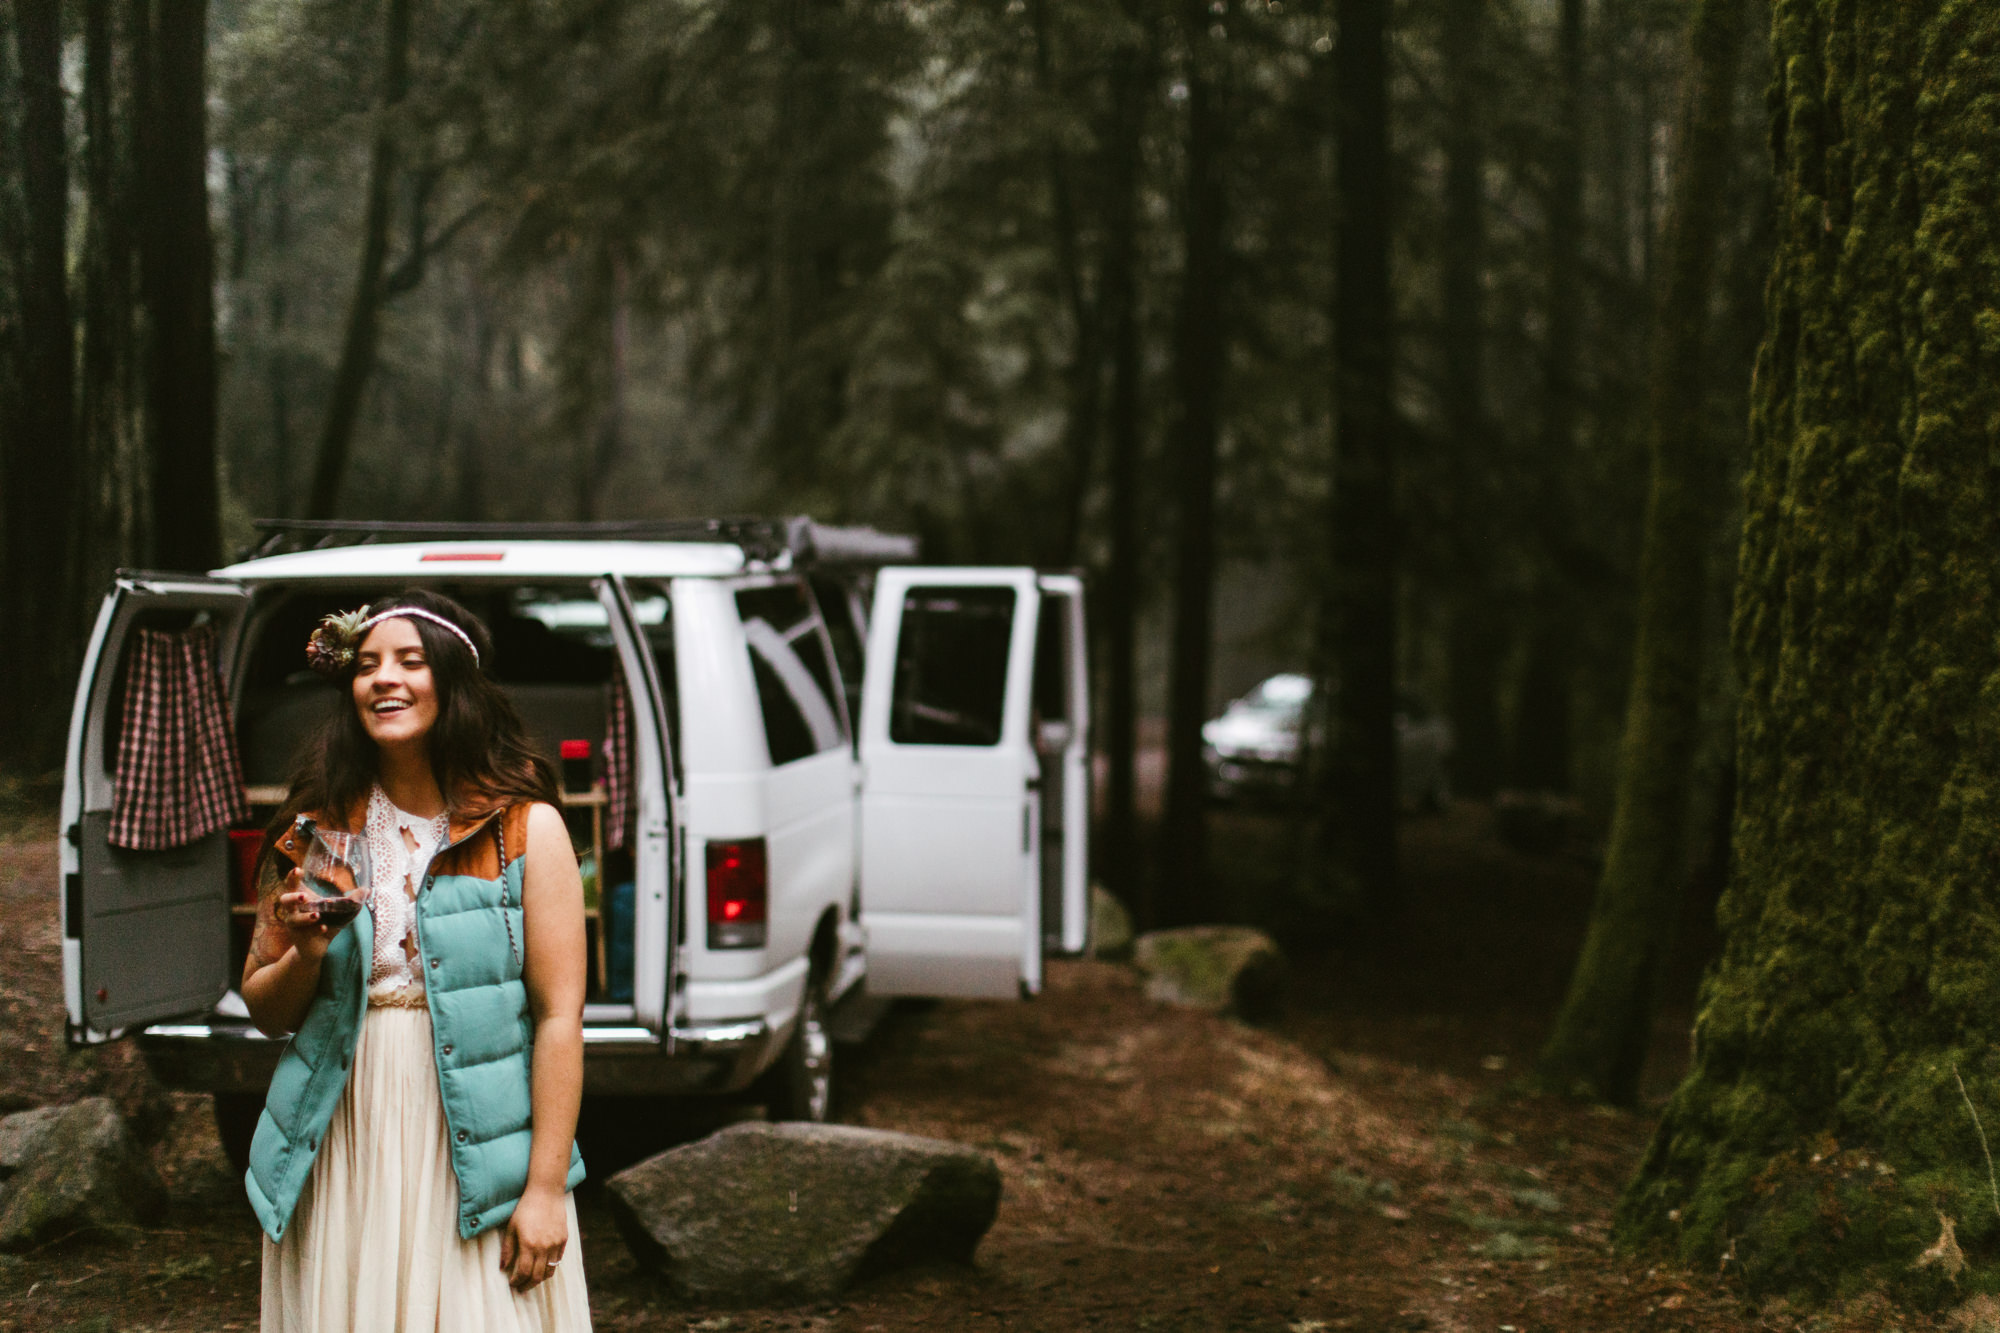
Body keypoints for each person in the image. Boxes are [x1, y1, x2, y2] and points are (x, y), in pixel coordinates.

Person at [241, 589, 593, 1332]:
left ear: (453, 684)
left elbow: (560, 1017)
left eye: (409, 660)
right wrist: (306, 953)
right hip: (343, 1131)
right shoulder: (315, 827)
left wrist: (546, 1187)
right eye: (367, 665)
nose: (384, 678)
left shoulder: (526, 830)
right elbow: (264, 1005)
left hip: (474, 1134)